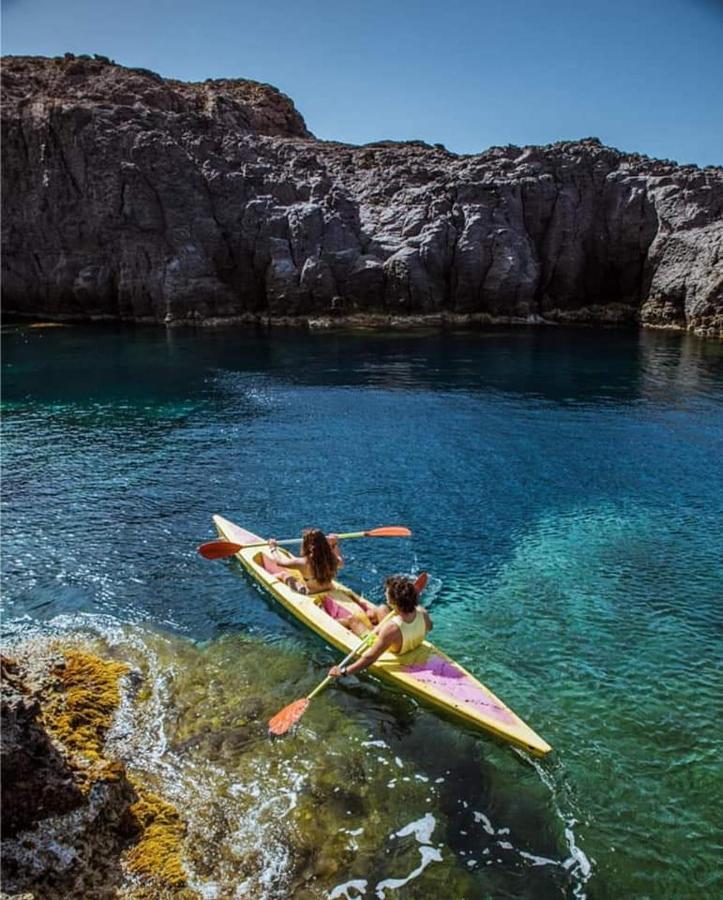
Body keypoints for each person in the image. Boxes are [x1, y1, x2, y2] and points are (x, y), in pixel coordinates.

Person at [328, 575, 432, 677]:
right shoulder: (422, 612)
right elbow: (429, 627)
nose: (385, 594)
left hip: (388, 644)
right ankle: (373, 624)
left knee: (352, 620)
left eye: (387, 593)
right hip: (404, 639)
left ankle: (345, 622)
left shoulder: (391, 628)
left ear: (393, 601)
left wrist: (344, 671)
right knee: (382, 608)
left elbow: (370, 658)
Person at [267, 528, 343, 594]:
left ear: (308, 545)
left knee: (283, 574)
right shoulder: (331, 559)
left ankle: (267, 581)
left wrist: (273, 548)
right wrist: (334, 544)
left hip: (310, 592)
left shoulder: (302, 562)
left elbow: (279, 562)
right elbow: (340, 563)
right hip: (329, 588)